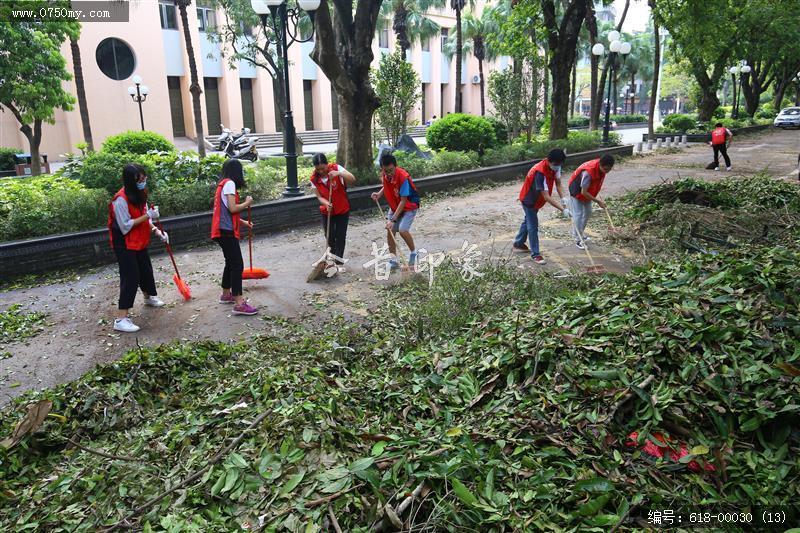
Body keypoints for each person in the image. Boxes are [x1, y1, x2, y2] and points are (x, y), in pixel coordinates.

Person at [108, 163, 168, 333]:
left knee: (145, 269)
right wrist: (147, 215)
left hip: (139, 241)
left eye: (144, 178)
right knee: (131, 276)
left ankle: (149, 297)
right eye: (139, 180)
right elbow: (125, 225)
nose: (143, 182)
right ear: (130, 181)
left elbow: (144, 217)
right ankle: (121, 318)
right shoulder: (120, 200)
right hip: (124, 244)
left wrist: (157, 231)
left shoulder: (140, 194)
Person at [210, 159, 258, 316]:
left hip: (221, 230)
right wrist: (247, 202)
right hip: (226, 231)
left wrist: (243, 222)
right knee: (237, 264)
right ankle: (239, 303)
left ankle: (226, 294)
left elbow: (227, 210)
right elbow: (232, 208)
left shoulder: (222, 184)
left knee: (230, 263)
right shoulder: (230, 184)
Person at [512, 148, 569, 265]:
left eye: (559, 164)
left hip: (537, 199)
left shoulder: (556, 165)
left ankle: (518, 243)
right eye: (555, 164)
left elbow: (558, 183)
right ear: (549, 161)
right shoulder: (540, 172)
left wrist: (564, 198)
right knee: (533, 226)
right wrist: (563, 209)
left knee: (527, 221)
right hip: (529, 200)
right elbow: (546, 196)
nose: (557, 166)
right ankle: (536, 254)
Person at [371, 153, 421, 269]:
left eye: (391, 170)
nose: (389, 173)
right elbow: (386, 185)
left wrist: (393, 220)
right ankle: (393, 260)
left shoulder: (402, 177)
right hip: (395, 206)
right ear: (382, 169)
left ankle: (414, 253)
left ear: (395, 166)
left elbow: (403, 201)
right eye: (386, 171)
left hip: (408, 206)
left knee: (403, 230)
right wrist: (379, 194)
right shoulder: (385, 175)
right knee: (390, 231)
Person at [309, 153, 357, 267]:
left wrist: (339, 173)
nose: (321, 171)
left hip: (342, 208)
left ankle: (338, 260)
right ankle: (332, 257)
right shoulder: (314, 178)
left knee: (340, 234)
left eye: (323, 168)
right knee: (329, 234)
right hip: (327, 211)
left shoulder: (336, 168)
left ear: (327, 164)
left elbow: (353, 179)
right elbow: (319, 197)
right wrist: (326, 203)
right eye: (318, 169)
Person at [568, 154, 615, 250]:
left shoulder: (602, 167)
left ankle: (580, 233)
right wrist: (598, 201)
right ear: (600, 165)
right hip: (576, 190)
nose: (607, 172)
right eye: (605, 169)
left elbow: (592, 185)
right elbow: (583, 192)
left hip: (587, 191)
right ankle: (578, 239)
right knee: (578, 214)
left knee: (588, 212)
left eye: (609, 169)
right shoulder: (588, 173)